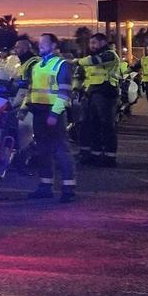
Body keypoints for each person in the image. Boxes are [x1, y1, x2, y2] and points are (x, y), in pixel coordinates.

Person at [24, 32, 76, 201]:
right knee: (43, 150)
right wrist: (24, 108)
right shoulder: (38, 66)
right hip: (38, 112)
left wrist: (55, 113)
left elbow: (64, 92)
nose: (40, 46)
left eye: (44, 43)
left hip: (54, 113)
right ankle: (45, 186)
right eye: (39, 43)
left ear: (54, 45)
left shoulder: (61, 64)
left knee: (61, 150)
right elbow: (31, 90)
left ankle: (68, 189)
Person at [78, 33, 121, 165]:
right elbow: (85, 75)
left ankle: (109, 157)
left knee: (107, 125)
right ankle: (95, 154)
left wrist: (75, 61)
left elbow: (94, 61)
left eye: (94, 43)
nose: (92, 46)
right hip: (92, 93)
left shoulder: (110, 55)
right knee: (93, 125)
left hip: (106, 92)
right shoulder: (93, 57)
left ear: (103, 42)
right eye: (91, 43)